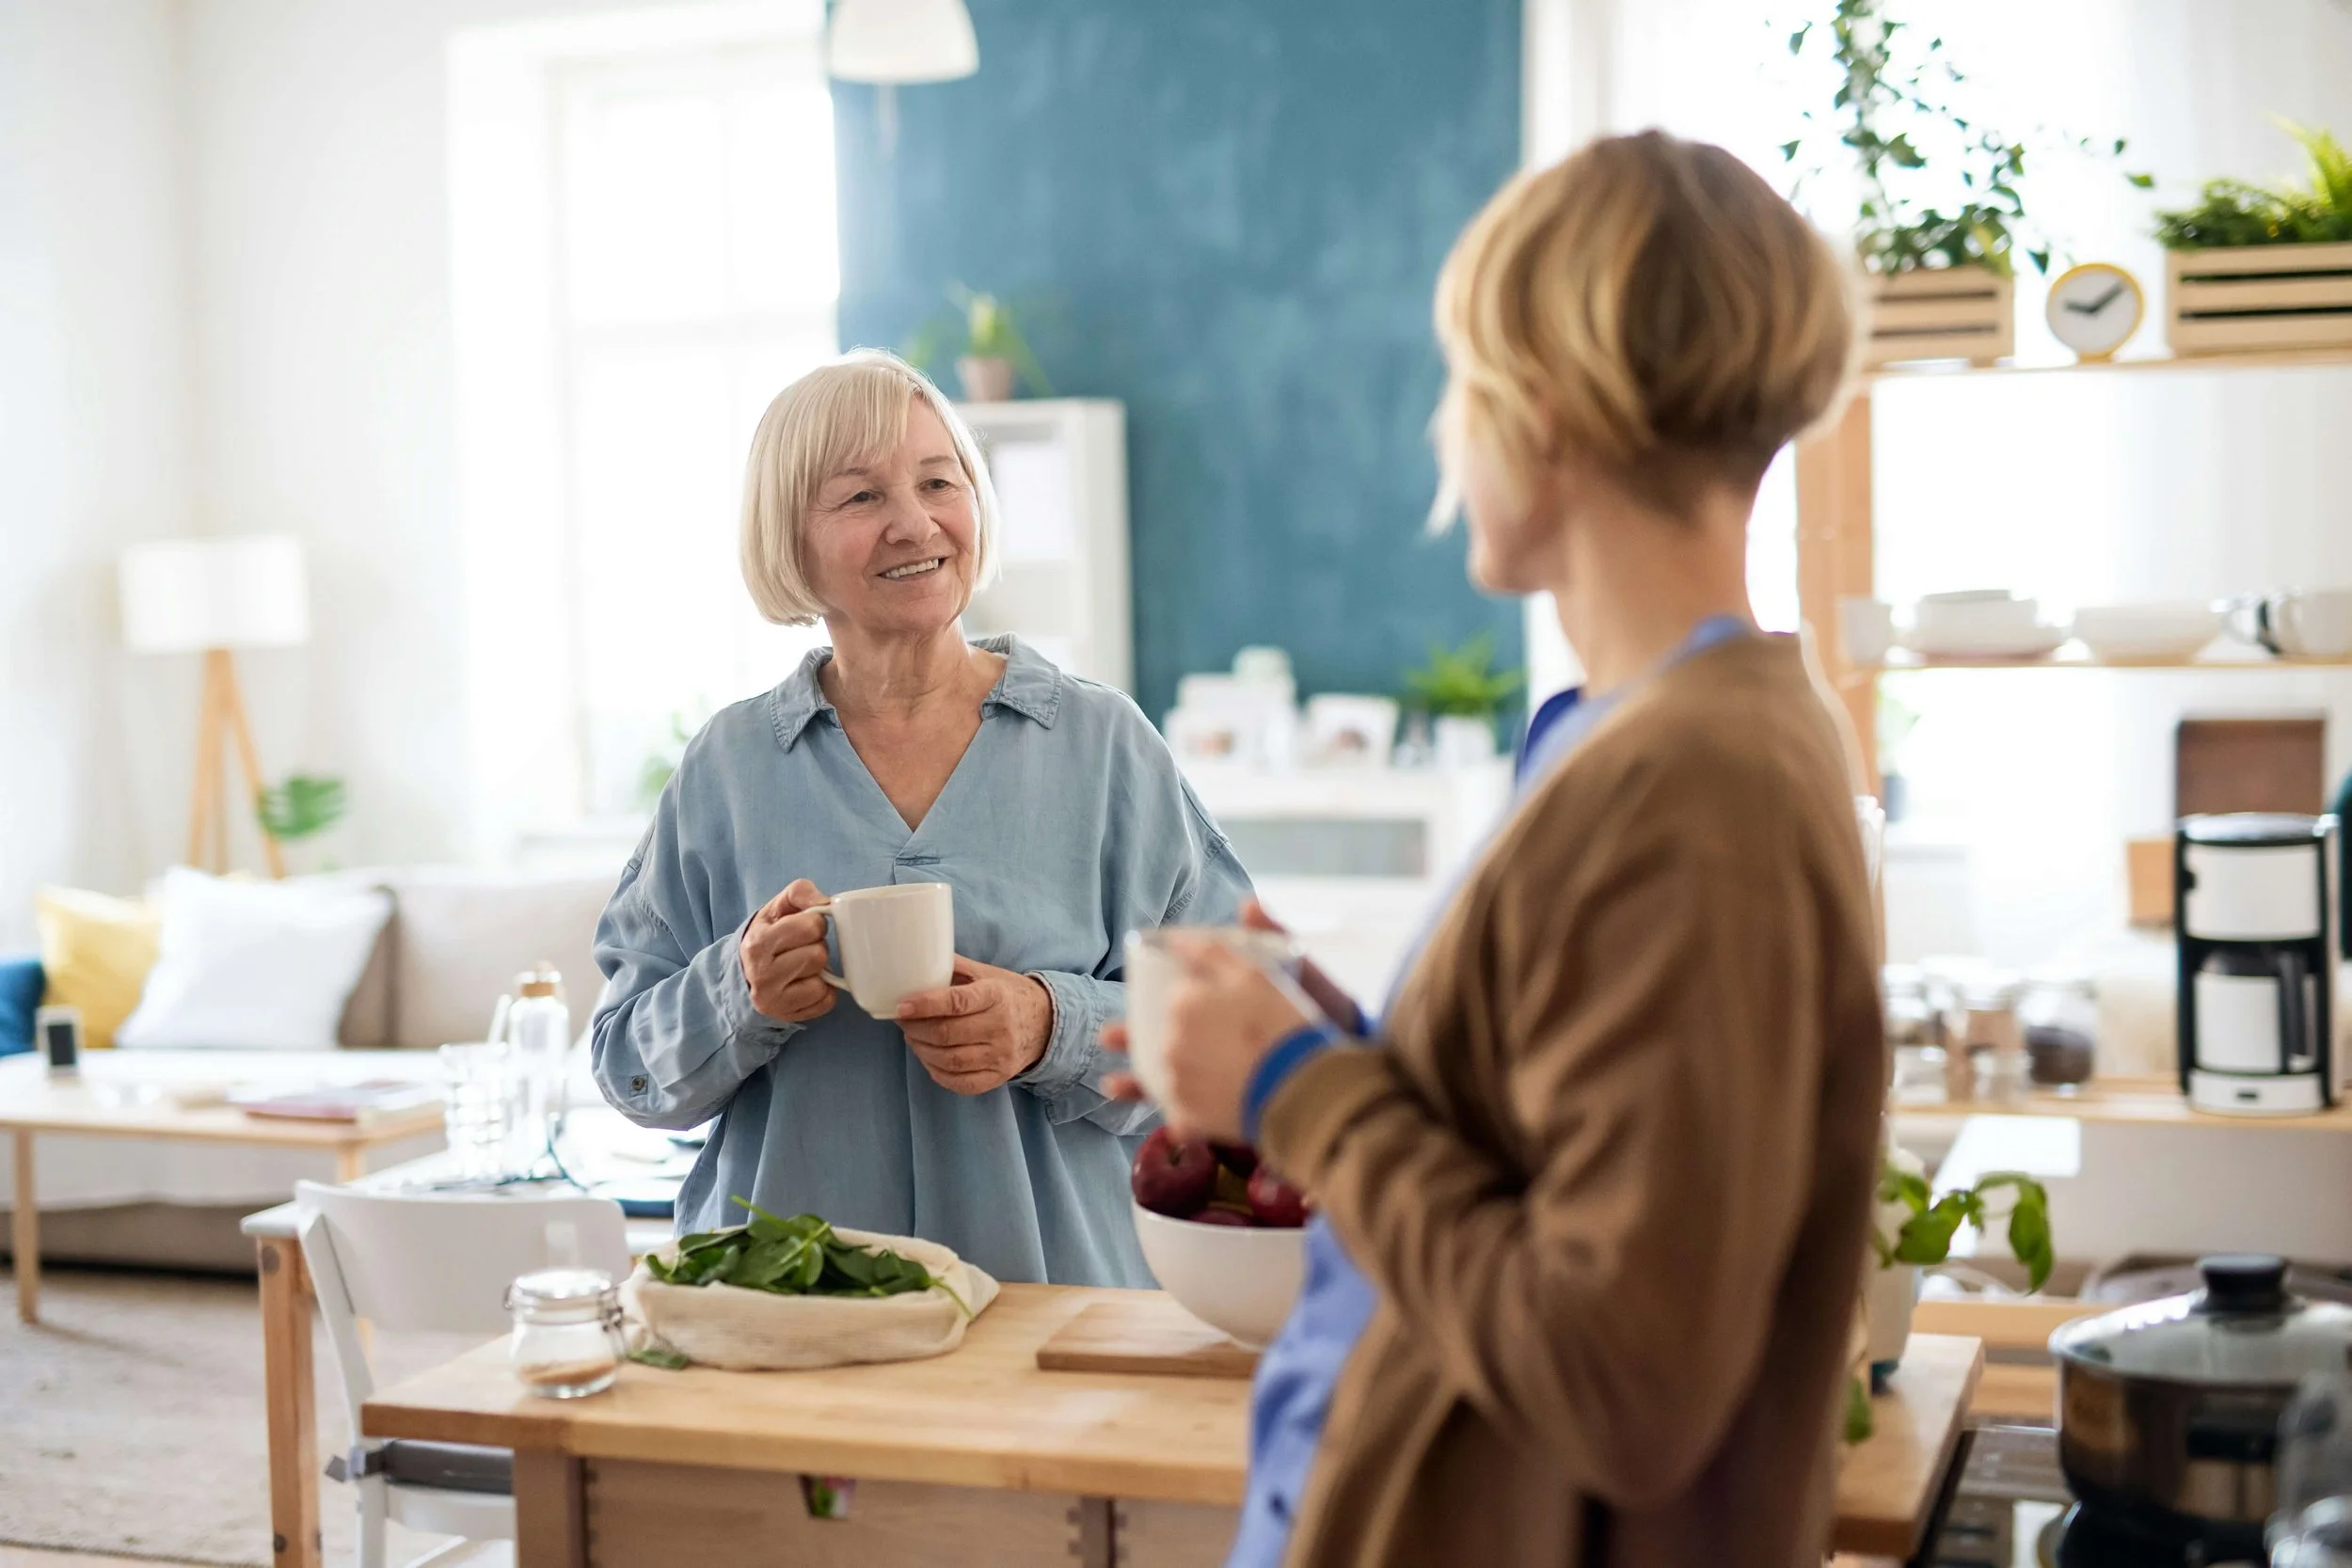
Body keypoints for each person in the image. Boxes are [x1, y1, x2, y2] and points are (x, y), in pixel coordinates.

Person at [1137, 132, 1886, 1566]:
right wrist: (1348, 1053)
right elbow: (1572, 1143)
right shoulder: (1678, 731)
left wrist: (1300, 1090)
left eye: (1459, 386)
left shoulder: (1692, 783)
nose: (1445, 433)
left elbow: (1623, 1374)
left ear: (1541, 412)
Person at [592, 349, 1250, 1287]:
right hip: (786, 1320)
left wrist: (1050, 1021)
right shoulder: (728, 767)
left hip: (1053, 1313)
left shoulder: (1102, 744)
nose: (914, 521)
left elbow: (1234, 1029)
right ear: (792, 539)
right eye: (860, 497)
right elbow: (626, 1064)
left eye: (938, 481)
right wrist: (739, 994)